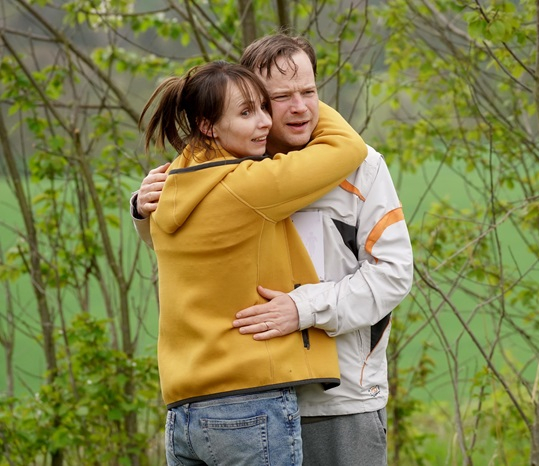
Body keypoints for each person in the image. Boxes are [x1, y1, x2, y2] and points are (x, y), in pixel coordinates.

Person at [132, 34, 413, 466]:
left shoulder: (363, 168)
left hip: (338, 401)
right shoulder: (231, 168)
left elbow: (393, 274)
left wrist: (304, 308)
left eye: (310, 91)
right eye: (279, 98)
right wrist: (142, 207)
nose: (300, 107)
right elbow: (184, 250)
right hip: (253, 399)